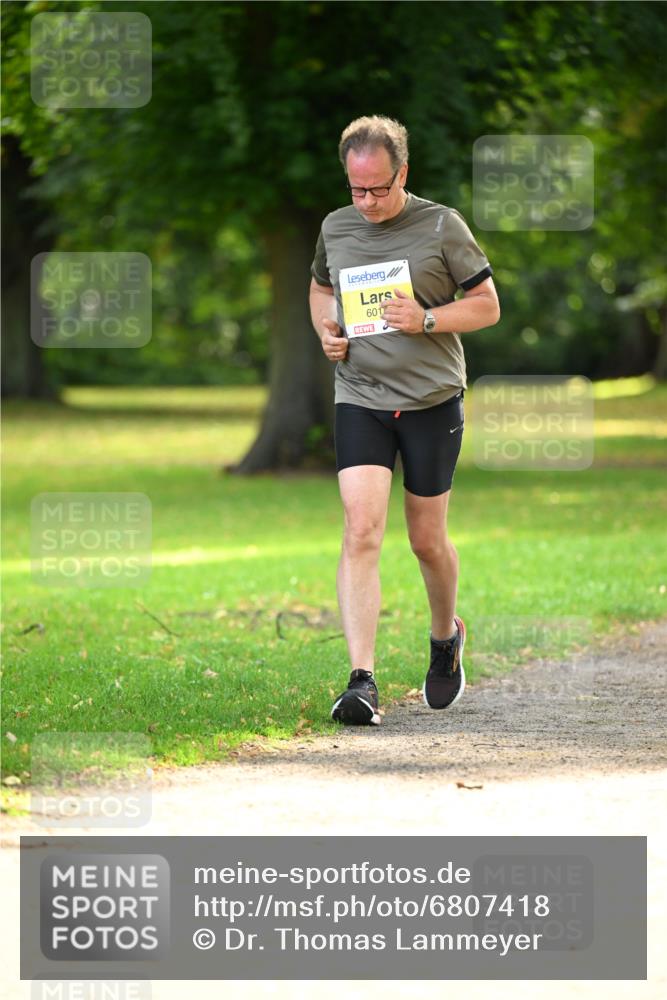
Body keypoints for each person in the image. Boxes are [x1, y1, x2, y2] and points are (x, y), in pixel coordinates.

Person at [309, 115, 500, 726]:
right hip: (360, 395)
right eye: (355, 189)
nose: (365, 202)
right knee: (361, 530)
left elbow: (487, 306)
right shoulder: (335, 227)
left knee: (425, 539)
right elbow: (319, 289)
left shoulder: (443, 225)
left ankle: (445, 637)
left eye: (378, 189)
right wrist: (327, 331)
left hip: (431, 401)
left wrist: (425, 319)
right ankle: (361, 681)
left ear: (403, 174)